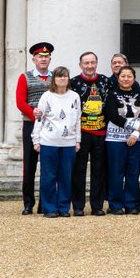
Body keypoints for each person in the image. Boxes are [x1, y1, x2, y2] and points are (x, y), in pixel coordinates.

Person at [32, 66, 80, 218]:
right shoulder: (47, 96)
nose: (62, 79)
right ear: (54, 79)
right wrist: (36, 139)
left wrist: (77, 140)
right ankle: (49, 208)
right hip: (48, 141)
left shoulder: (74, 96)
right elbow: (39, 118)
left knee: (66, 177)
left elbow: (78, 119)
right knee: (49, 176)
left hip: (68, 142)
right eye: (59, 76)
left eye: (65, 76)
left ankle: (63, 207)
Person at [103, 65, 140, 214]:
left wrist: (136, 134)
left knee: (133, 172)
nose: (126, 79)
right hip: (115, 139)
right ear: (118, 77)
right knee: (116, 172)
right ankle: (115, 204)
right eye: (123, 76)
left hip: (135, 140)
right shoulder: (112, 94)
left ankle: (131, 204)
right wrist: (136, 126)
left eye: (129, 76)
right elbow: (113, 115)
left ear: (134, 78)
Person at [70, 51, 110, 217]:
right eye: (86, 63)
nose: (89, 66)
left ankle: (97, 205)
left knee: (99, 171)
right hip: (81, 133)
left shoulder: (105, 81)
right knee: (78, 170)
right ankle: (78, 206)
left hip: (101, 132)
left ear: (97, 63)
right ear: (80, 65)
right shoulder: (73, 83)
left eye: (92, 62)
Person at [16, 41, 53, 215]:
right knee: (29, 164)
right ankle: (28, 203)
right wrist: (34, 115)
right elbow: (20, 102)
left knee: (49, 165)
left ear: (50, 59)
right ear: (34, 59)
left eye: (46, 57)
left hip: (52, 126)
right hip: (31, 123)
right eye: (40, 57)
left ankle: (45, 203)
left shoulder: (56, 77)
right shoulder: (25, 77)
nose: (43, 59)